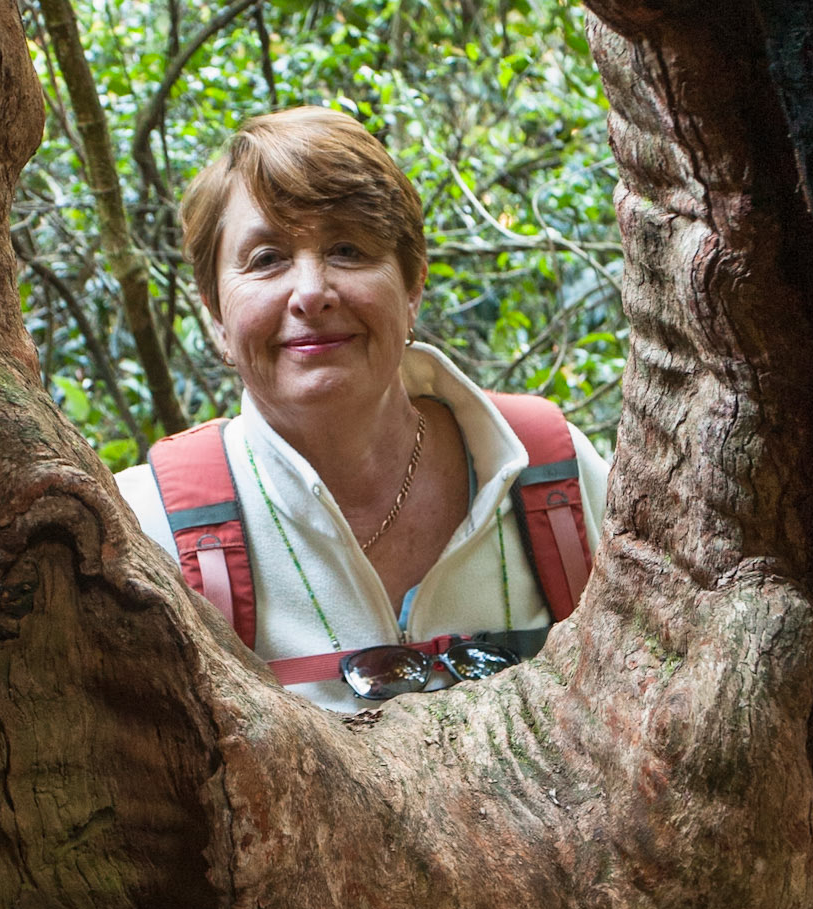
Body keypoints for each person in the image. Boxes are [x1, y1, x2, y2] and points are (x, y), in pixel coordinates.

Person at [116, 107, 608, 714]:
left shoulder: (550, 474)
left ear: (412, 287)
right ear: (216, 315)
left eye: (347, 249)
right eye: (266, 258)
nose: (310, 293)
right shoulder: (145, 529)